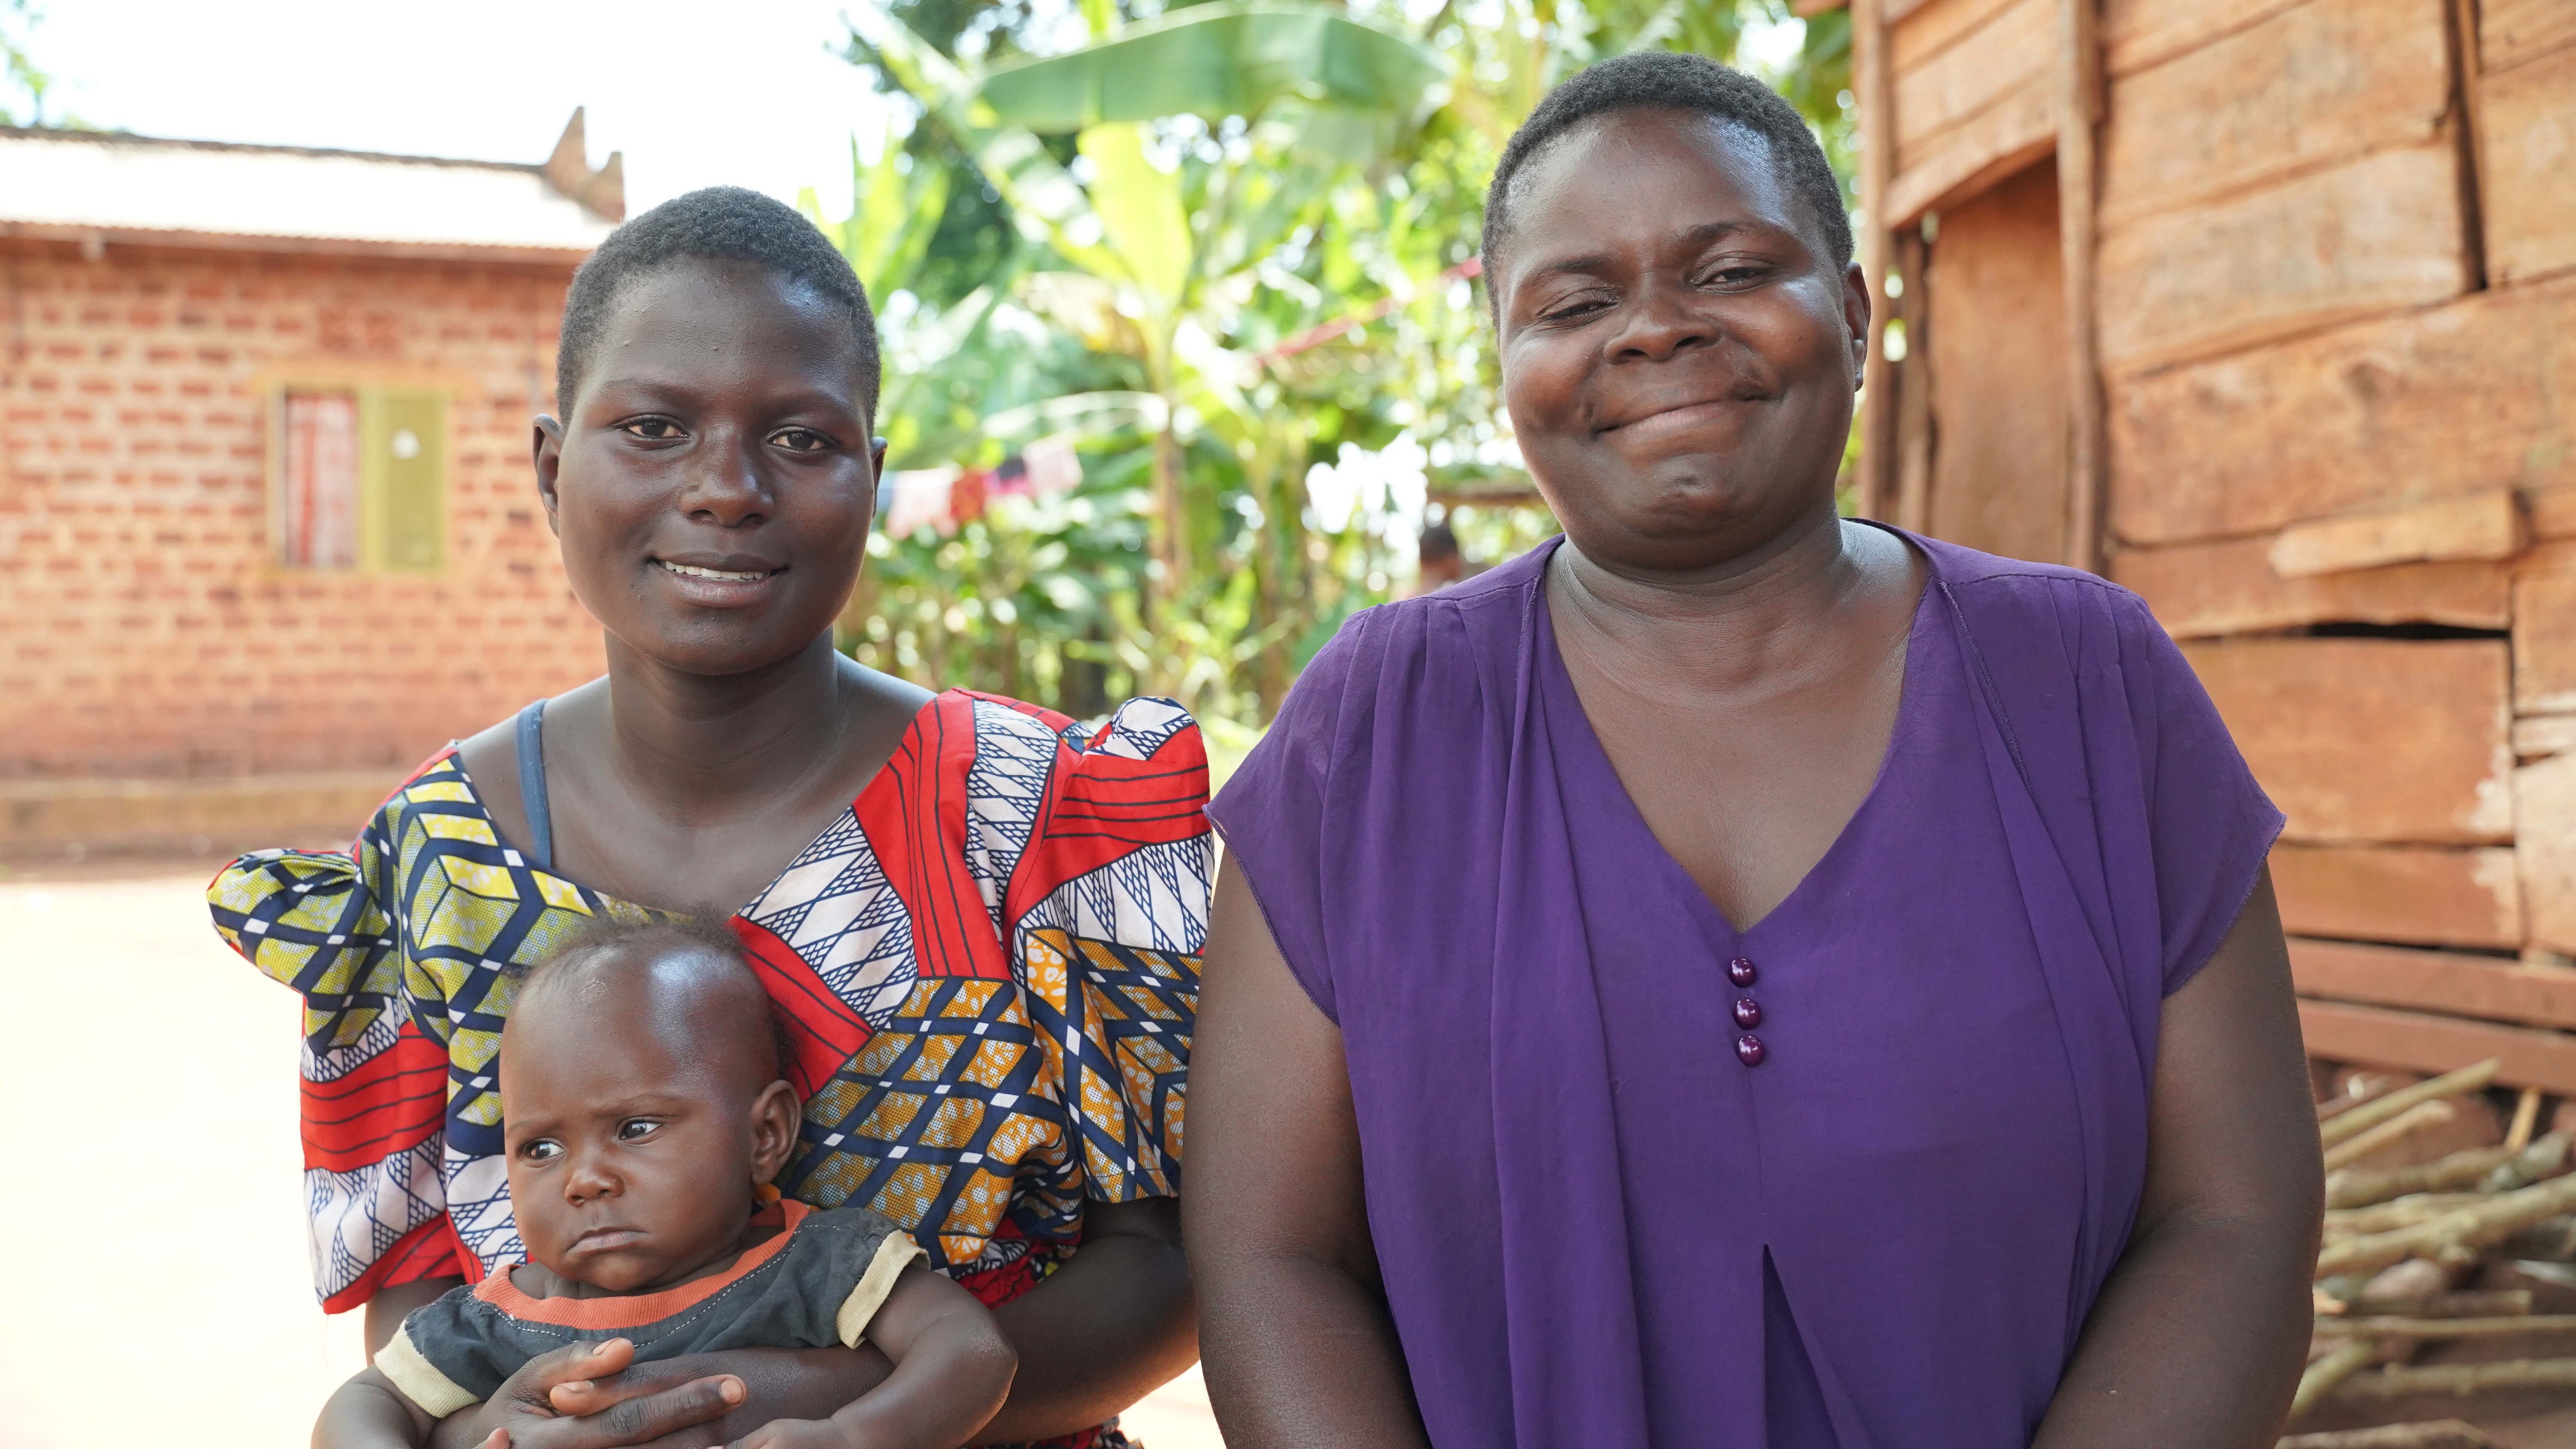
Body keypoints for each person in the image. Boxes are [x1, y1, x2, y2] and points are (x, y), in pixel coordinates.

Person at [1186, 52, 2322, 1449]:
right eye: (1576, 300)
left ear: (1851, 310)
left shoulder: (2092, 686)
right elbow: (1267, 1257)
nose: (1654, 330)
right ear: (1506, 365)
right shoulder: (1369, 732)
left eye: (1728, 271)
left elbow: (2236, 1212)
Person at [210, 187, 1209, 1449]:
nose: (727, 489)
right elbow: (420, 1301)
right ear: (551, 467)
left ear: (871, 475)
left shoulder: (1046, 815)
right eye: (654, 427)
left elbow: (1173, 1264)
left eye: (800, 439)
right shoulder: (433, 861)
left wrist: (820, 1406)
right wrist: (505, 1431)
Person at [318, 918, 1017, 1449]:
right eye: (541, 1147)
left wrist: (855, 1436)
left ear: (765, 1134)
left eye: (636, 1129)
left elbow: (972, 1351)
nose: (585, 1180)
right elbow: (365, 1403)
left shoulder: (819, 1264)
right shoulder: (496, 1318)